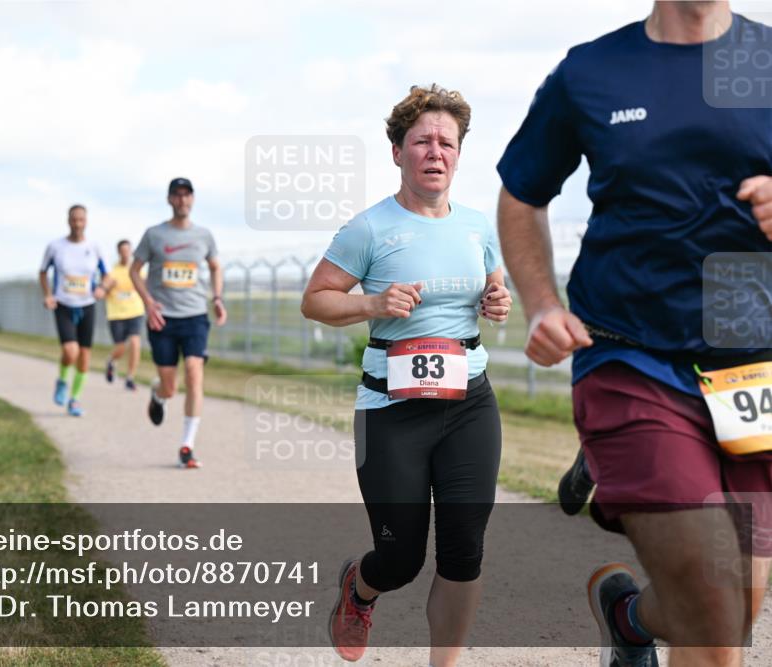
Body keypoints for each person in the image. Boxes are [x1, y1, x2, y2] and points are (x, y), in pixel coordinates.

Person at [496, 3, 771, 666]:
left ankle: (629, 619)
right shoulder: (593, 71)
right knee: (713, 616)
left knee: (739, 602)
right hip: (629, 352)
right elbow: (522, 194)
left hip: (755, 366)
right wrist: (539, 304)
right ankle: (623, 446)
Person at [301, 85, 512, 666]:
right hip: (391, 408)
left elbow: (494, 286)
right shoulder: (368, 228)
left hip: (469, 400)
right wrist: (373, 304)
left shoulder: (477, 225)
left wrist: (497, 300)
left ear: (459, 154)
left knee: (464, 551)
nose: (435, 152)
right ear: (398, 152)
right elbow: (315, 301)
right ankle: (359, 589)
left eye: (447, 142)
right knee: (400, 560)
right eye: (422, 141)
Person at [129, 178, 227, 469]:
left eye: (187, 195)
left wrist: (218, 298)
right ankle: (159, 395)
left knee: (195, 374)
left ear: (193, 199)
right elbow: (135, 270)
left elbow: (215, 266)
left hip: (195, 315)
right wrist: (148, 302)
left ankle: (187, 445)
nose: (183, 200)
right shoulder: (154, 235)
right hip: (163, 318)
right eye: (177, 195)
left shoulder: (204, 236)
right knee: (170, 387)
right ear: (170, 199)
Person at [39, 204, 113, 417]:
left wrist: (102, 288)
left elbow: (107, 275)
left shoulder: (95, 247)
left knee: (84, 356)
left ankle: (75, 399)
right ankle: (62, 380)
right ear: (68, 221)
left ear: (86, 221)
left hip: (87, 304)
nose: (78, 224)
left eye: (81, 220)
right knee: (70, 351)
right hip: (63, 303)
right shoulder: (55, 247)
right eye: (74, 219)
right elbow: (43, 272)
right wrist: (47, 295)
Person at [104, 239, 146, 391]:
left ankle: (130, 377)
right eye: (122, 251)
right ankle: (111, 361)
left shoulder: (137, 269)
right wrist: (106, 288)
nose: (125, 254)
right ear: (118, 252)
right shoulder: (112, 271)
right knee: (120, 347)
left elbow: (145, 285)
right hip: (116, 313)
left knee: (135, 342)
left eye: (128, 251)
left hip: (135, 311)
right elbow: (104, 288)